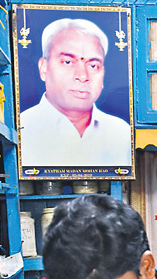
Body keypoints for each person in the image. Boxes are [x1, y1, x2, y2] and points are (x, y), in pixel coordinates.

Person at [19, 17, 132, 168]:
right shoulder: (23, 128)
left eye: (93, 65)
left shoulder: (121, 132)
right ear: (43, 68)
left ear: (103, 74)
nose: (83, 76)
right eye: (68, 62)